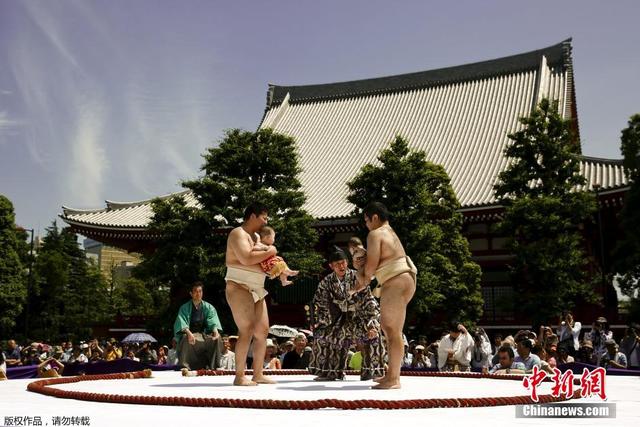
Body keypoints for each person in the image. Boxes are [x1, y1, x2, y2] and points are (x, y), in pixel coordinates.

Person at [353, 202, 417, 389]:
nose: (366, 225)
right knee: (389, 329)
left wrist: (360, 272)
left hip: (396, 280)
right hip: (403, 278)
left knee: (392, 330)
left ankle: (394, 379)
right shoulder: (391, 232)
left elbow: (371, 268)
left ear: (374, 217)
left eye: (366, 220)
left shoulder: (376, 233)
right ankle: (391, 375)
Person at [308, 246, 386, 381]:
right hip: (336, 318)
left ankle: (371, 371)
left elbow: (369, 300)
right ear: (331, 266)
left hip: (358, 316)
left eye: (343, 262)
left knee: (374, 335)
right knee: (323, 334)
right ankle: (330, 371)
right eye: (337, 264)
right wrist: (318, 321)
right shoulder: (326, 282)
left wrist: (372, 322)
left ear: (347, 262)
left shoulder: (358, 277)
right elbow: (319, 303)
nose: (341, 266)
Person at [225, 203, 280, 386]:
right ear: (253, 216)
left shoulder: (256, 236)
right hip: (238, 286)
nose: (266, 221)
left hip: (257, 288)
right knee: (246, 329)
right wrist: (271, 251)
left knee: (262, 331)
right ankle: (239, 376)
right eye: (264, 217)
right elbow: (246, 258)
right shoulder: (237, 233)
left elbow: (263, 261)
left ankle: (258, 373)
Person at [173, 281, 224, 371]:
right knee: (185, 338)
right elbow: (182, 322)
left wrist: (215, 330)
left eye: (200, 291)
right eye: (196, 291)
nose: (198, 294)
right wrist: (188, 333)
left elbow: (212, 320)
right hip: (191, 334)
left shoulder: (209, 307)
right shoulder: (184, 308)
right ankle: (185, 366)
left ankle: (215, 365)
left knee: (217, 338)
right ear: (191, 293)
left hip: (204, 335)